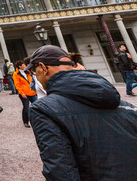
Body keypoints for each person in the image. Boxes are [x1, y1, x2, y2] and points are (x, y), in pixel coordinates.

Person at [27, 45, 137, 180]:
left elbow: (61, 171)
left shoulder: (43, 109)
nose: (34, 76)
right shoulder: (122, 103)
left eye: (34, 71)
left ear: (43, 68)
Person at [12, 60, 37, 128]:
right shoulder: (16, 74)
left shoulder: (28, 72)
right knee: (26, 107)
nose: (25, 66)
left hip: (32, 92)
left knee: (37, 105)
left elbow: (32, 81)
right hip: (24, 93)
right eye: (23, 65)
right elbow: (17, 85)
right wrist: (21, 93)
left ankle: (37, 119)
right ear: (19, 66)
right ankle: (26, 121)